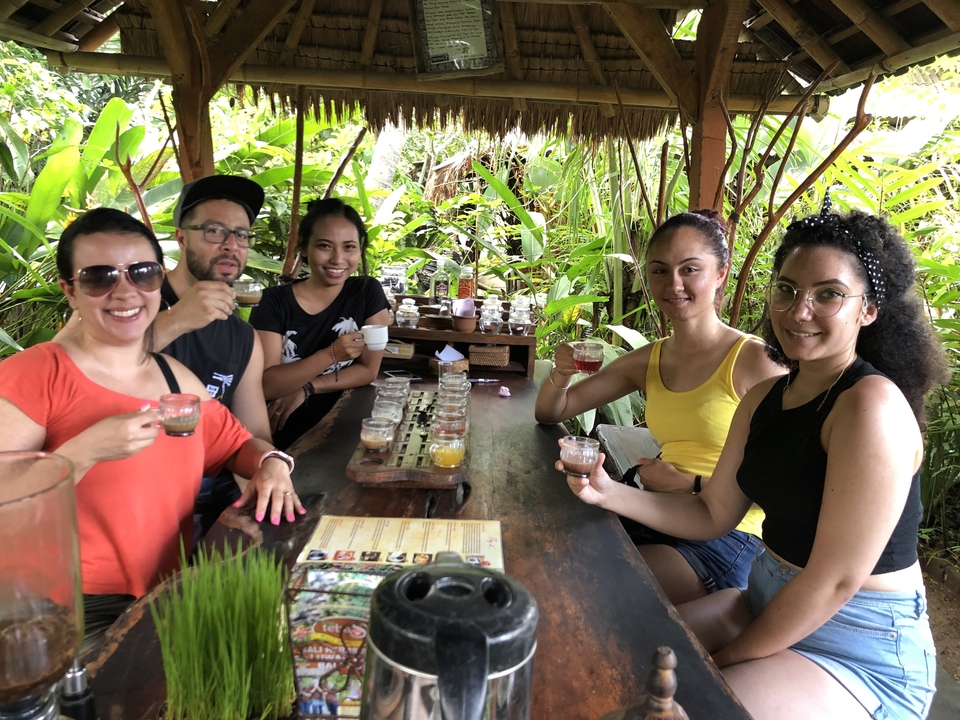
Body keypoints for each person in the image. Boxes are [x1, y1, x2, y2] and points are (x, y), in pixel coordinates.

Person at [561, 210, 948, 719]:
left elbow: (833, 581)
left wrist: (717, 662)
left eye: (828, 294)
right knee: (609, 651)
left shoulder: (869, 405)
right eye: (786, 289)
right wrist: (606, 492)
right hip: (763, 599)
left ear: (868, 309)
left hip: (858, 643)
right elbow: (710, 514)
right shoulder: (766, 396)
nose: (799, 311)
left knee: (691, 701)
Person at [0, 208, 306, 645]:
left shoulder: (173, 378)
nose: (124, 292)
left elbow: (238, 444)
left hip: (168, 590)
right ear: (70, 291)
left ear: (159, 279)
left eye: (141, 273)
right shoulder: (35, 372)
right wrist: (83, 451)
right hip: (68, 605)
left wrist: (272, 463)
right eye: (99, 277)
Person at [536, 210, 785, 604]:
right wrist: (561, 373)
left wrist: (693, 484)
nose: (674, 284)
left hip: (730, 535)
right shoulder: (648, 360)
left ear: (720, 273)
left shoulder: (754, 362)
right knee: (552, 554)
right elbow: (553, 412)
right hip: (653, 510)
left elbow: (788, 483)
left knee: (590, 587)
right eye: (659, 270)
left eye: (690, 269)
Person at [251, 198, 390, 449]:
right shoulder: (272, 302)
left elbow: (369, 370)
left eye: (349, 247)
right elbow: (266, 385)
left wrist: (307, 388)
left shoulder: (366, 292)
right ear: (304, 248)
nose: (338, 259)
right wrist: (332, 354)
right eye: (325, 246)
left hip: (344, 426)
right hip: (282, 433)